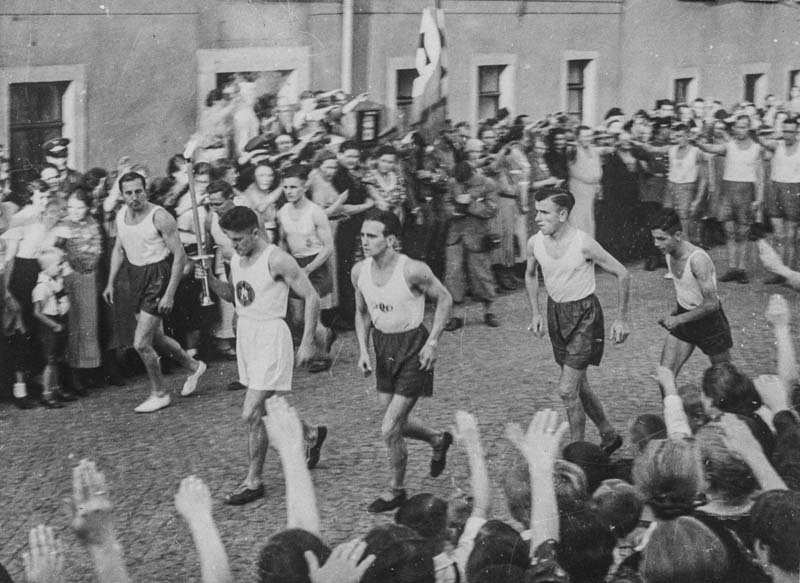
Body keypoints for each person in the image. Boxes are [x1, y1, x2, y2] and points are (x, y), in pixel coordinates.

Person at [200, 206, 327, 505]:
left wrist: (308, 340)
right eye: (230, 240)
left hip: (271, 336)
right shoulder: (235, 258)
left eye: (240, 239)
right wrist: (208, 278)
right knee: (268, 405)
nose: (235, 245)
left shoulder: (278, 259)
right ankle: (310, 434)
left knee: (251, 412)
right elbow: (236, 295)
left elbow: (311, 296)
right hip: (247, 335)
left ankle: (253, 481)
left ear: (255, 232)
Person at [352, 208, 454, 512]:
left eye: (372, 236)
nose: (364, 241)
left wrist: (433, 341)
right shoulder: (359, 271)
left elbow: (445, 298)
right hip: (384, 347)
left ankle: (396, 490)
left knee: (389, 428)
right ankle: (437, 439)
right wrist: (362, 350)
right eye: (362, 235)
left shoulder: (413, 270)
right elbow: (362, 312)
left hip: (413, 346)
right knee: (398, 422)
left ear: (391, 239)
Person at [525, 187, 629, 451]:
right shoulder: (534, 243)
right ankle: (608, 434)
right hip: (555, 314)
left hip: (585, 317)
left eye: (544, 212)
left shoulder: (584, 243)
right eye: (536, 211)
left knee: (567, 390)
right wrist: (536, 312)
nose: (537, 218)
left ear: (562, 214)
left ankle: (578, 455)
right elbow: (529, 275)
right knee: (579, 385)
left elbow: (622, 273)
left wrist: (621, 319)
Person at [103, 172, 207, 413]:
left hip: (158, 276)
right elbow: (119, 249)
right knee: (156, 338)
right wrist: (110, 282)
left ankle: (159, 393)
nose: (134, 197)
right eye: (128, 193)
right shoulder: (121, 216)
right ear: (122, 195)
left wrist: (169, 293)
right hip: (136, 276)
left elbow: (179, 256)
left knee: (141, 343)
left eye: (138, 191)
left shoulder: (160, 217)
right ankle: (194, 366)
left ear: (145, 190)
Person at [650, 209, 732, 395]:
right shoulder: (668, 252)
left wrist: (679, 320)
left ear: (678, 235)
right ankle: (672, 421)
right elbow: (686, 290)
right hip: (685, 317)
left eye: (661, 239)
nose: (656, 244)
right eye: (654, 238)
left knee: (726, 384)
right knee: (665, 377)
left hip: (710, 323)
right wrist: (675, 313)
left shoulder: (698, 261)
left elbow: (712, 304)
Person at [277, 165, 337, 373]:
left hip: (316, 265)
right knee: (298, 317)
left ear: (304, 187)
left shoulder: (315, 212)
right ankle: (325, 337)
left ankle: (323, 356)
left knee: (314, 315)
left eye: (294, 187)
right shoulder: (283, 212)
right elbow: (283, 241)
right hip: (295, 264)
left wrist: (310, 268)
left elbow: (328, 247)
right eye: (285, 187)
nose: (289, 191)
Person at [696, 114, 764, 283]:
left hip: (746, 191)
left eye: (744, 126)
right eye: (738, 126)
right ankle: (732, 268)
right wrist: (698, 138)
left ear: (749, 128)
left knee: (743, 232)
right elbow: (709, 148)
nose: (741, 130)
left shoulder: (756, 148)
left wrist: (759, 199)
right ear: (734, 128)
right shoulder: (729, 146)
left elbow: (760, 177)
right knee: (729, 231)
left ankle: (742, 269)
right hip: (728, 191)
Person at [32, 247, 74, 408]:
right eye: (58, 264)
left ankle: (57, 390)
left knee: (56, 359)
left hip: (59, 320)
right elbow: (37, 312)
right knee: (50, 361)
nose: (61, 267)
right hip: (49, 326)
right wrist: (54, 325)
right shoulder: (41, 287)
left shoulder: (56, 281)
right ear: (46, 267)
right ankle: (46, 394)